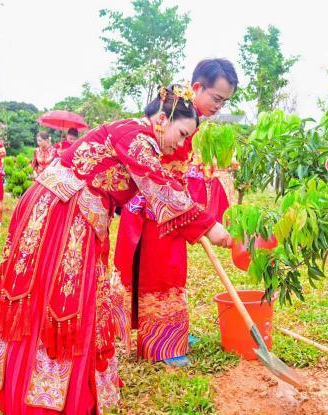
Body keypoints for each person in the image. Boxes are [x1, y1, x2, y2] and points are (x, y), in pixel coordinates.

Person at [0, 85, 231, 414]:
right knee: (60, 302)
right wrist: (216, 230)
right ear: (162, 118)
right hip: (64, 212)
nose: (181, 143)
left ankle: (51, 392)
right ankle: (43, 399)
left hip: (68, 210)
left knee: (75, 301)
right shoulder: (137, 137)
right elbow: (161, 188)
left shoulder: (136, 136)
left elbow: (162, 187)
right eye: (182, 133)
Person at [114, 58, 238, 366]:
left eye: (225, 102)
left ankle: (171, 332)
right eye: (217, 98)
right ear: (197, 88)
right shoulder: (171, 115)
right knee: (156, 273)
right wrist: (206, 224)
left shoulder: (190, 121)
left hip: (172, 211)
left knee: (172, 272)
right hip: (152, 213)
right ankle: (159, 343)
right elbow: (159, 176)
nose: (218, 107)